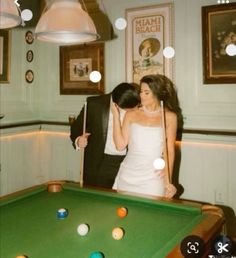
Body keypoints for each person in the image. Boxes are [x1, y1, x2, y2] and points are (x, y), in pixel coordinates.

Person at [111, 74, 182, 198]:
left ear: (157, 94)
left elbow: (169, 150)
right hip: (128, 174)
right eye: (141, 92)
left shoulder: (169, 117)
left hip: (153, 177)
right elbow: (120, 145)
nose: (141, 95)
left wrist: (168, 180)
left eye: (146, 92)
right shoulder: (131, 114)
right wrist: (116, 116)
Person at [70, 82, 140, 188]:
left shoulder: (138, 103)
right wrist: (79, 140)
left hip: (129, 162)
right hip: (101, 163)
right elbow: (76, 128)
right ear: (117, 104)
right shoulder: (94, 104)